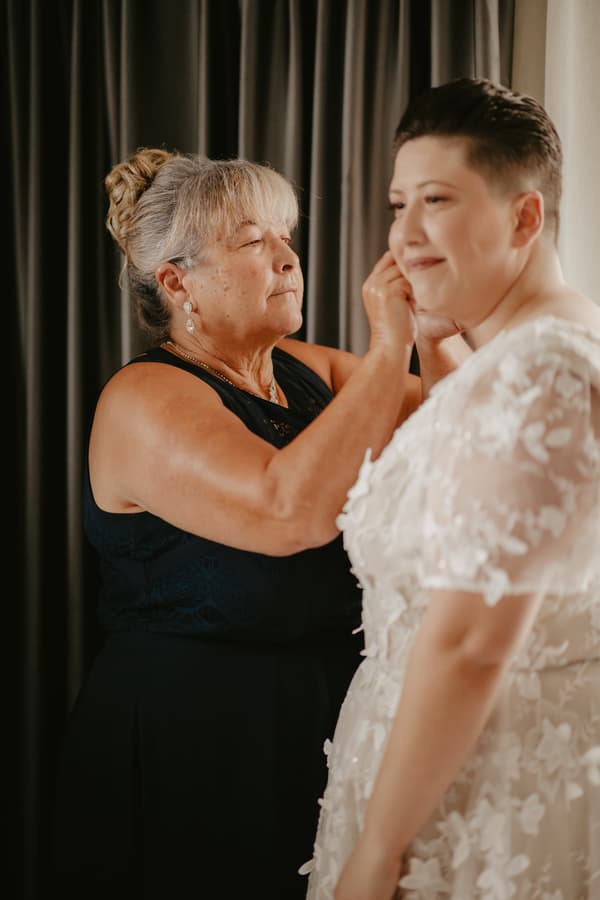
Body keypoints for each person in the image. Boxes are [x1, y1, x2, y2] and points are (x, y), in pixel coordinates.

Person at [49, 149, 467, 899]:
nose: (287, 257)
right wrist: (387, 347)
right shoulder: (142, 400)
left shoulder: (316, 372)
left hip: (327, 719)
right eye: (252, 242)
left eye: (285, 235)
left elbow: (473, 431)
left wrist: (432, 333)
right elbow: (287, 512)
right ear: (178, 284)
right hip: (195, 739)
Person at [303, 77, 600, 900]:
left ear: (524, 217)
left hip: (477, 798)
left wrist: (379, 851)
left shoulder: (542, 368)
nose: (404, 235)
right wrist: (432, 337)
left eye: (436, 200)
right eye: (398, 205)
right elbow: (476, 486)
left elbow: (471, 643)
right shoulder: (523, 358)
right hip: (435, 768)